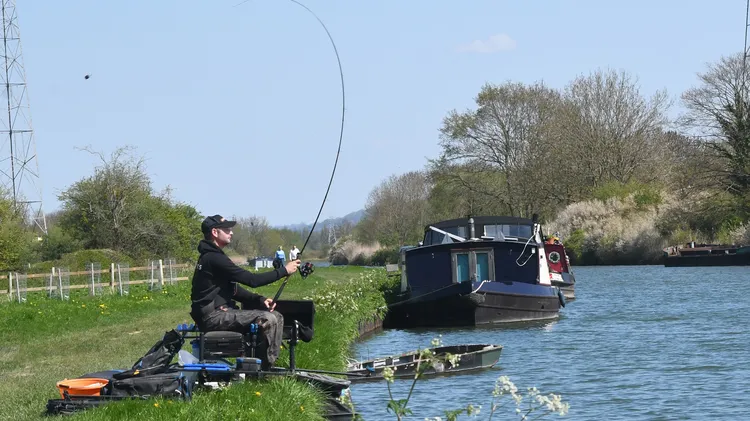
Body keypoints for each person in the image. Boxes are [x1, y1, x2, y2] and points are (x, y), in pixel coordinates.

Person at [190, 215, 300, 368]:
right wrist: (284, 271)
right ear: (215, 232)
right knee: (268, 318)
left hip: (218, 312)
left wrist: (260, 300)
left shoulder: (212, 256)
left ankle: (265, 364)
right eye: (227, 229)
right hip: (211, 317)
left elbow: (233, 289)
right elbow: (252, 280)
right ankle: (263, 370)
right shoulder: (214, 258)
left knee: (277, 316)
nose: (231, 232)